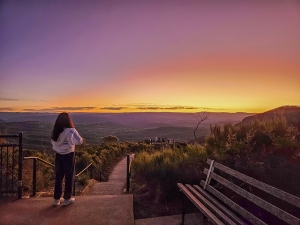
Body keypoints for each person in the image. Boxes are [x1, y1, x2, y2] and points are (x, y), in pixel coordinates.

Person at [51, 112, 83, 207]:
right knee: (69, 177)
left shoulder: (56, 131)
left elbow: (53, 142)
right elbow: (80, 141)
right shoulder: (71, 131)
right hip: (69, 155)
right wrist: (71, 142)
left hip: (58, 155)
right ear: (68, 120)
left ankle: (56, 199)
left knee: (58, 177)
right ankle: (67, 199)